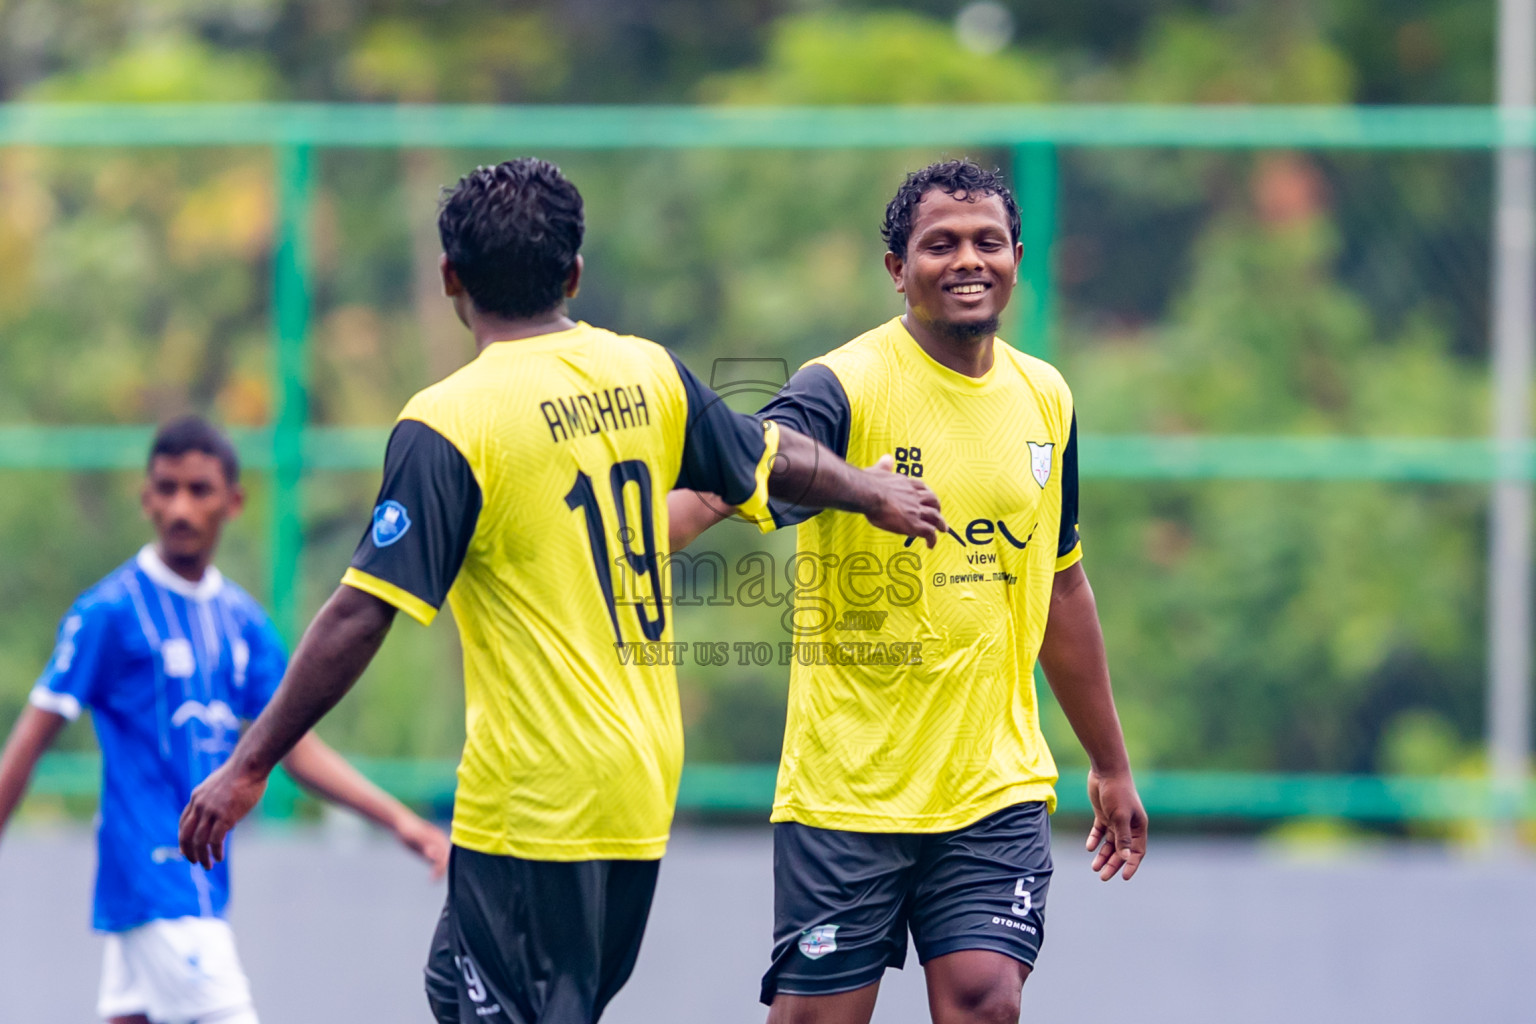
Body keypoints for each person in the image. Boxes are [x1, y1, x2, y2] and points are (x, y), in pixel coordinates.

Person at [177, 157, 946, 1024]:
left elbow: (362, 610)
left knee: (489, 998)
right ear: (573, 272)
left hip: (535, 798)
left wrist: (248, 767)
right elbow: (768, 460)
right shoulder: (646, 373)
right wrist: (869, 488)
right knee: (499, 992)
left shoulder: (451, 420)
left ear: (449, 279)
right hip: (640, 783)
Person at [669, 159, 1149, 1024]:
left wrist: (1109, 762)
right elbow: (737, 473)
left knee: (984, 1001)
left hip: (992, 784)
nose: (968, 260)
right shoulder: (842, 385)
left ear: (1016, 257)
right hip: (848, 789)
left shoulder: (1047, 397)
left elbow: (1062, 587)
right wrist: (628, 539)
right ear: (897, 269)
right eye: (941, 244)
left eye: (987, 242)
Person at [0, 415, 450, 1024]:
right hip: (156, 878)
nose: (180, 507)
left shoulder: (242, 622)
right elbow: (30, 742)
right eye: (166, 488)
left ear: (233, 502)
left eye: (199, 490)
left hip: (197, 883)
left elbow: (296, 747)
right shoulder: (109, 612)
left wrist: (401, 822)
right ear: (146, 499)